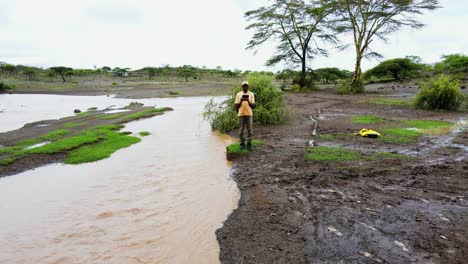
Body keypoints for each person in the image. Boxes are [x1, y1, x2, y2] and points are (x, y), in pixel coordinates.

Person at [234, 81, 256, 151]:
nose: (245, 87)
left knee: (250, 130)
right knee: (241, 130)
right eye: (244, 86)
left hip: (249, 114)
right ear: (242, 87)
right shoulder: (238, 94)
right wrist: (241, 101)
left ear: (248, 87)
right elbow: (236, 107)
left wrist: (248, 101)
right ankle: (242, 143)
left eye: (246, 86)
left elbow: (253, 106)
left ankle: (249, 144)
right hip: (241, 114)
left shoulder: (251, 94)